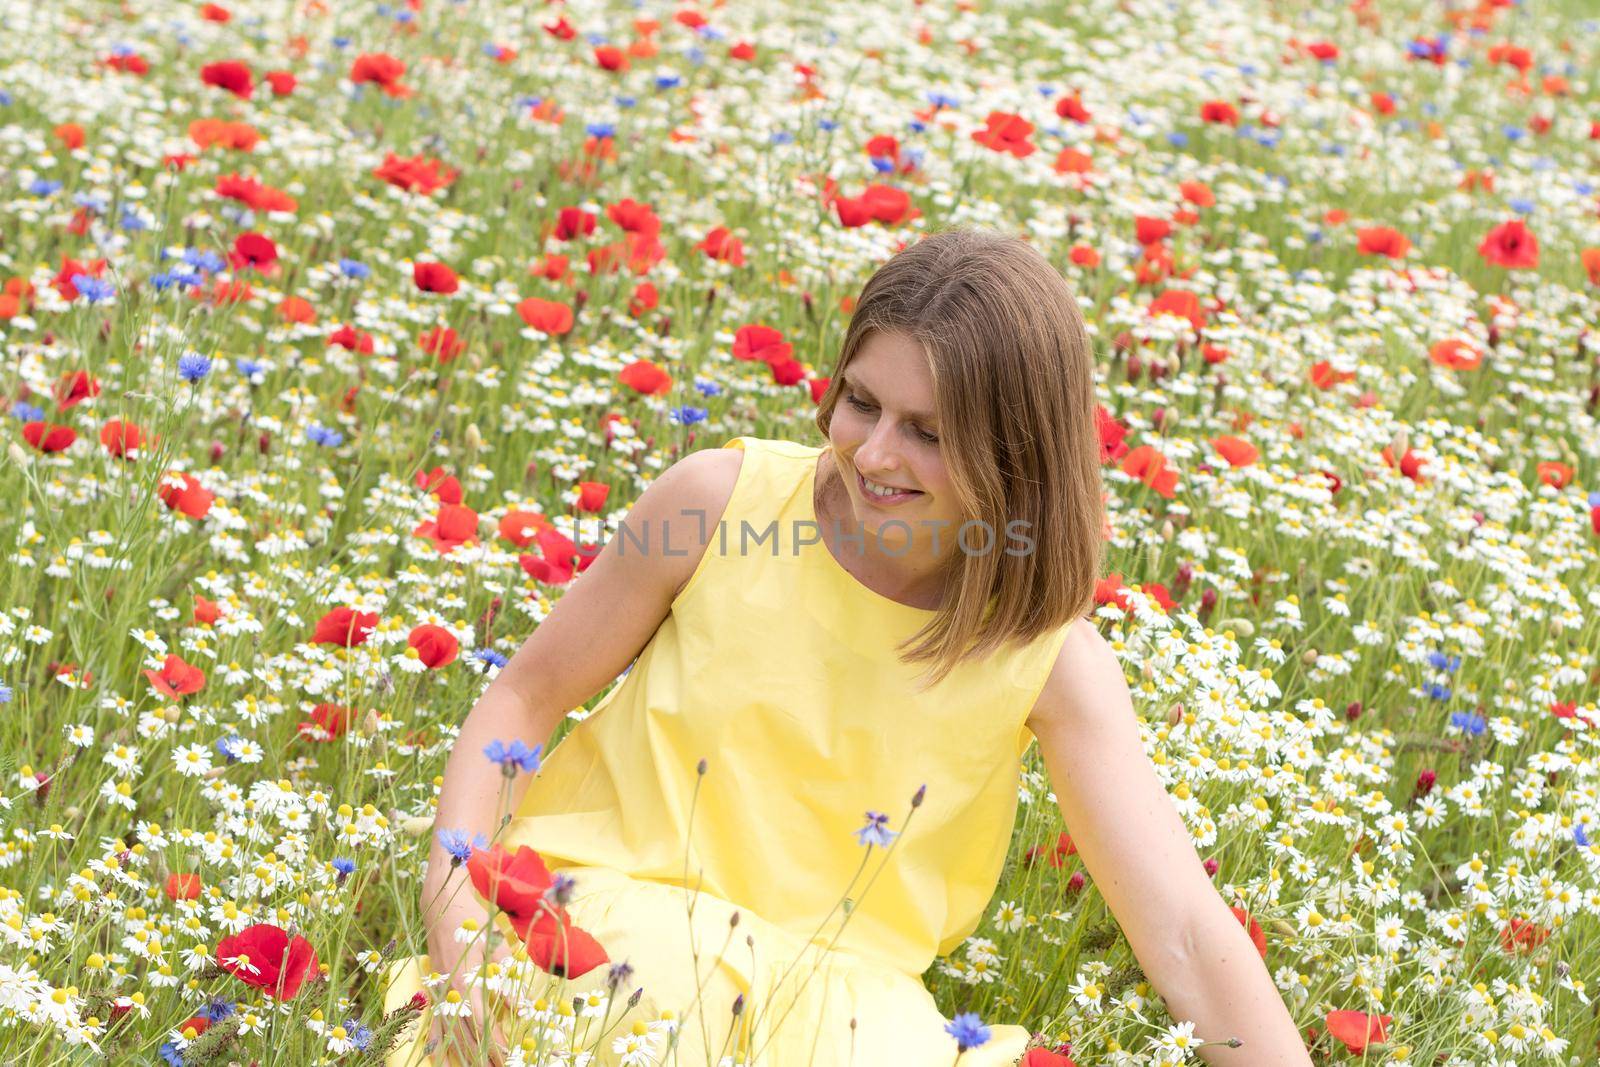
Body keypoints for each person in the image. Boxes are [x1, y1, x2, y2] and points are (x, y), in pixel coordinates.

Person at [384, 228, 1312, 1066]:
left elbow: (1186, 932)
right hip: (598, 940)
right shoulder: (715, 506)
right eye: (861, 403)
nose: (872, 455)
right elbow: (523, 700)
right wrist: (456, 925)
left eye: (928, 433)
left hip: (842, 1020)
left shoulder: (1048, 656)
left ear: (1016, 453)